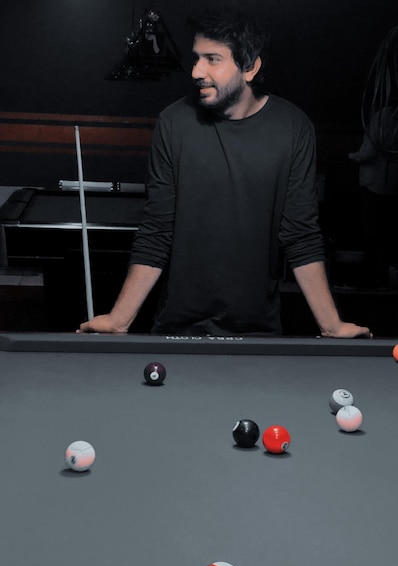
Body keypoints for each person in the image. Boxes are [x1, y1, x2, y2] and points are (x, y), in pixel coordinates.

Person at [79, 7, 370, 338]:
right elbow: (157, 231)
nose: (196, 71)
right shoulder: (173, 123)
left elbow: (300, 235)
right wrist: (119, 319)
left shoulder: (294, 128)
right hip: (177, 327)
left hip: (257, 331)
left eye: (212, 59)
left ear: (250, 67)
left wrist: (332, 325)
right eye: (196, 58)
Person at [349, 25, 398, 288]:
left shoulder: (381, 118)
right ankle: (385, 276)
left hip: (374, 185)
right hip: (391, 187)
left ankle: (377, 277)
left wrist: (352, 157)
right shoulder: (392, 118)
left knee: (373, 234)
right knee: (388, 234)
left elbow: (368, 151)